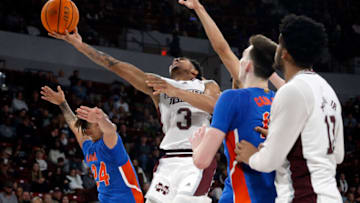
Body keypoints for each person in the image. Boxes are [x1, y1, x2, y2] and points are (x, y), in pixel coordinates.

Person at [49, 27, 220, 203]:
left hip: (197, 156)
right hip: (169, 159)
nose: (175, 59)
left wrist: (176, 91)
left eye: (182, 59)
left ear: (195, 72)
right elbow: (114, 64)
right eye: (175, 59)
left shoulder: (207, 85)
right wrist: (80, 45)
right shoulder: (159, 85)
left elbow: (214, 106)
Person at [235, 14, 344, 203]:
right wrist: (283, 137)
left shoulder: (292, 91)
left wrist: (251, 156)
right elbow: (338, 155)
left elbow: (269, 162)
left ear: (284, 52)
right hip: (330, 196)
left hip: (304, 196)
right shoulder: (328, 90)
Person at [190, 34, 278, 203]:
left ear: (247, 66)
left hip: (243, 196)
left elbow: (202, 160)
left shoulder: (232, 98)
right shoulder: (281, 100)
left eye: (243, 57)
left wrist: (196, 146)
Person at [40, 86, 144, 202]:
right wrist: (62, 103)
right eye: (97, 123)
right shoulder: (89, 146)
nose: (101, 123)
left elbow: (111, 129)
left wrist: (100, 119)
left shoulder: (110, 144)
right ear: (88, 131)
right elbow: (74, 124)